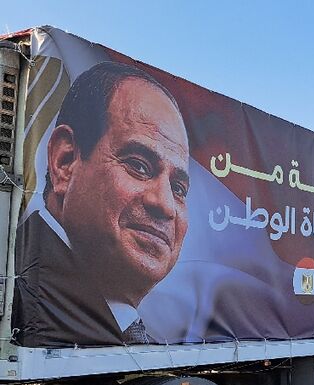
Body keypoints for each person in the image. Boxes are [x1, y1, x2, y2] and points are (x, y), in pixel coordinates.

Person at [13, 61, 190, 347]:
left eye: (179, 188)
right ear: (65, 162)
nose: (166, 205)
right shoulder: (24, 293)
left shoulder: (92, 320)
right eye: (139, 166)